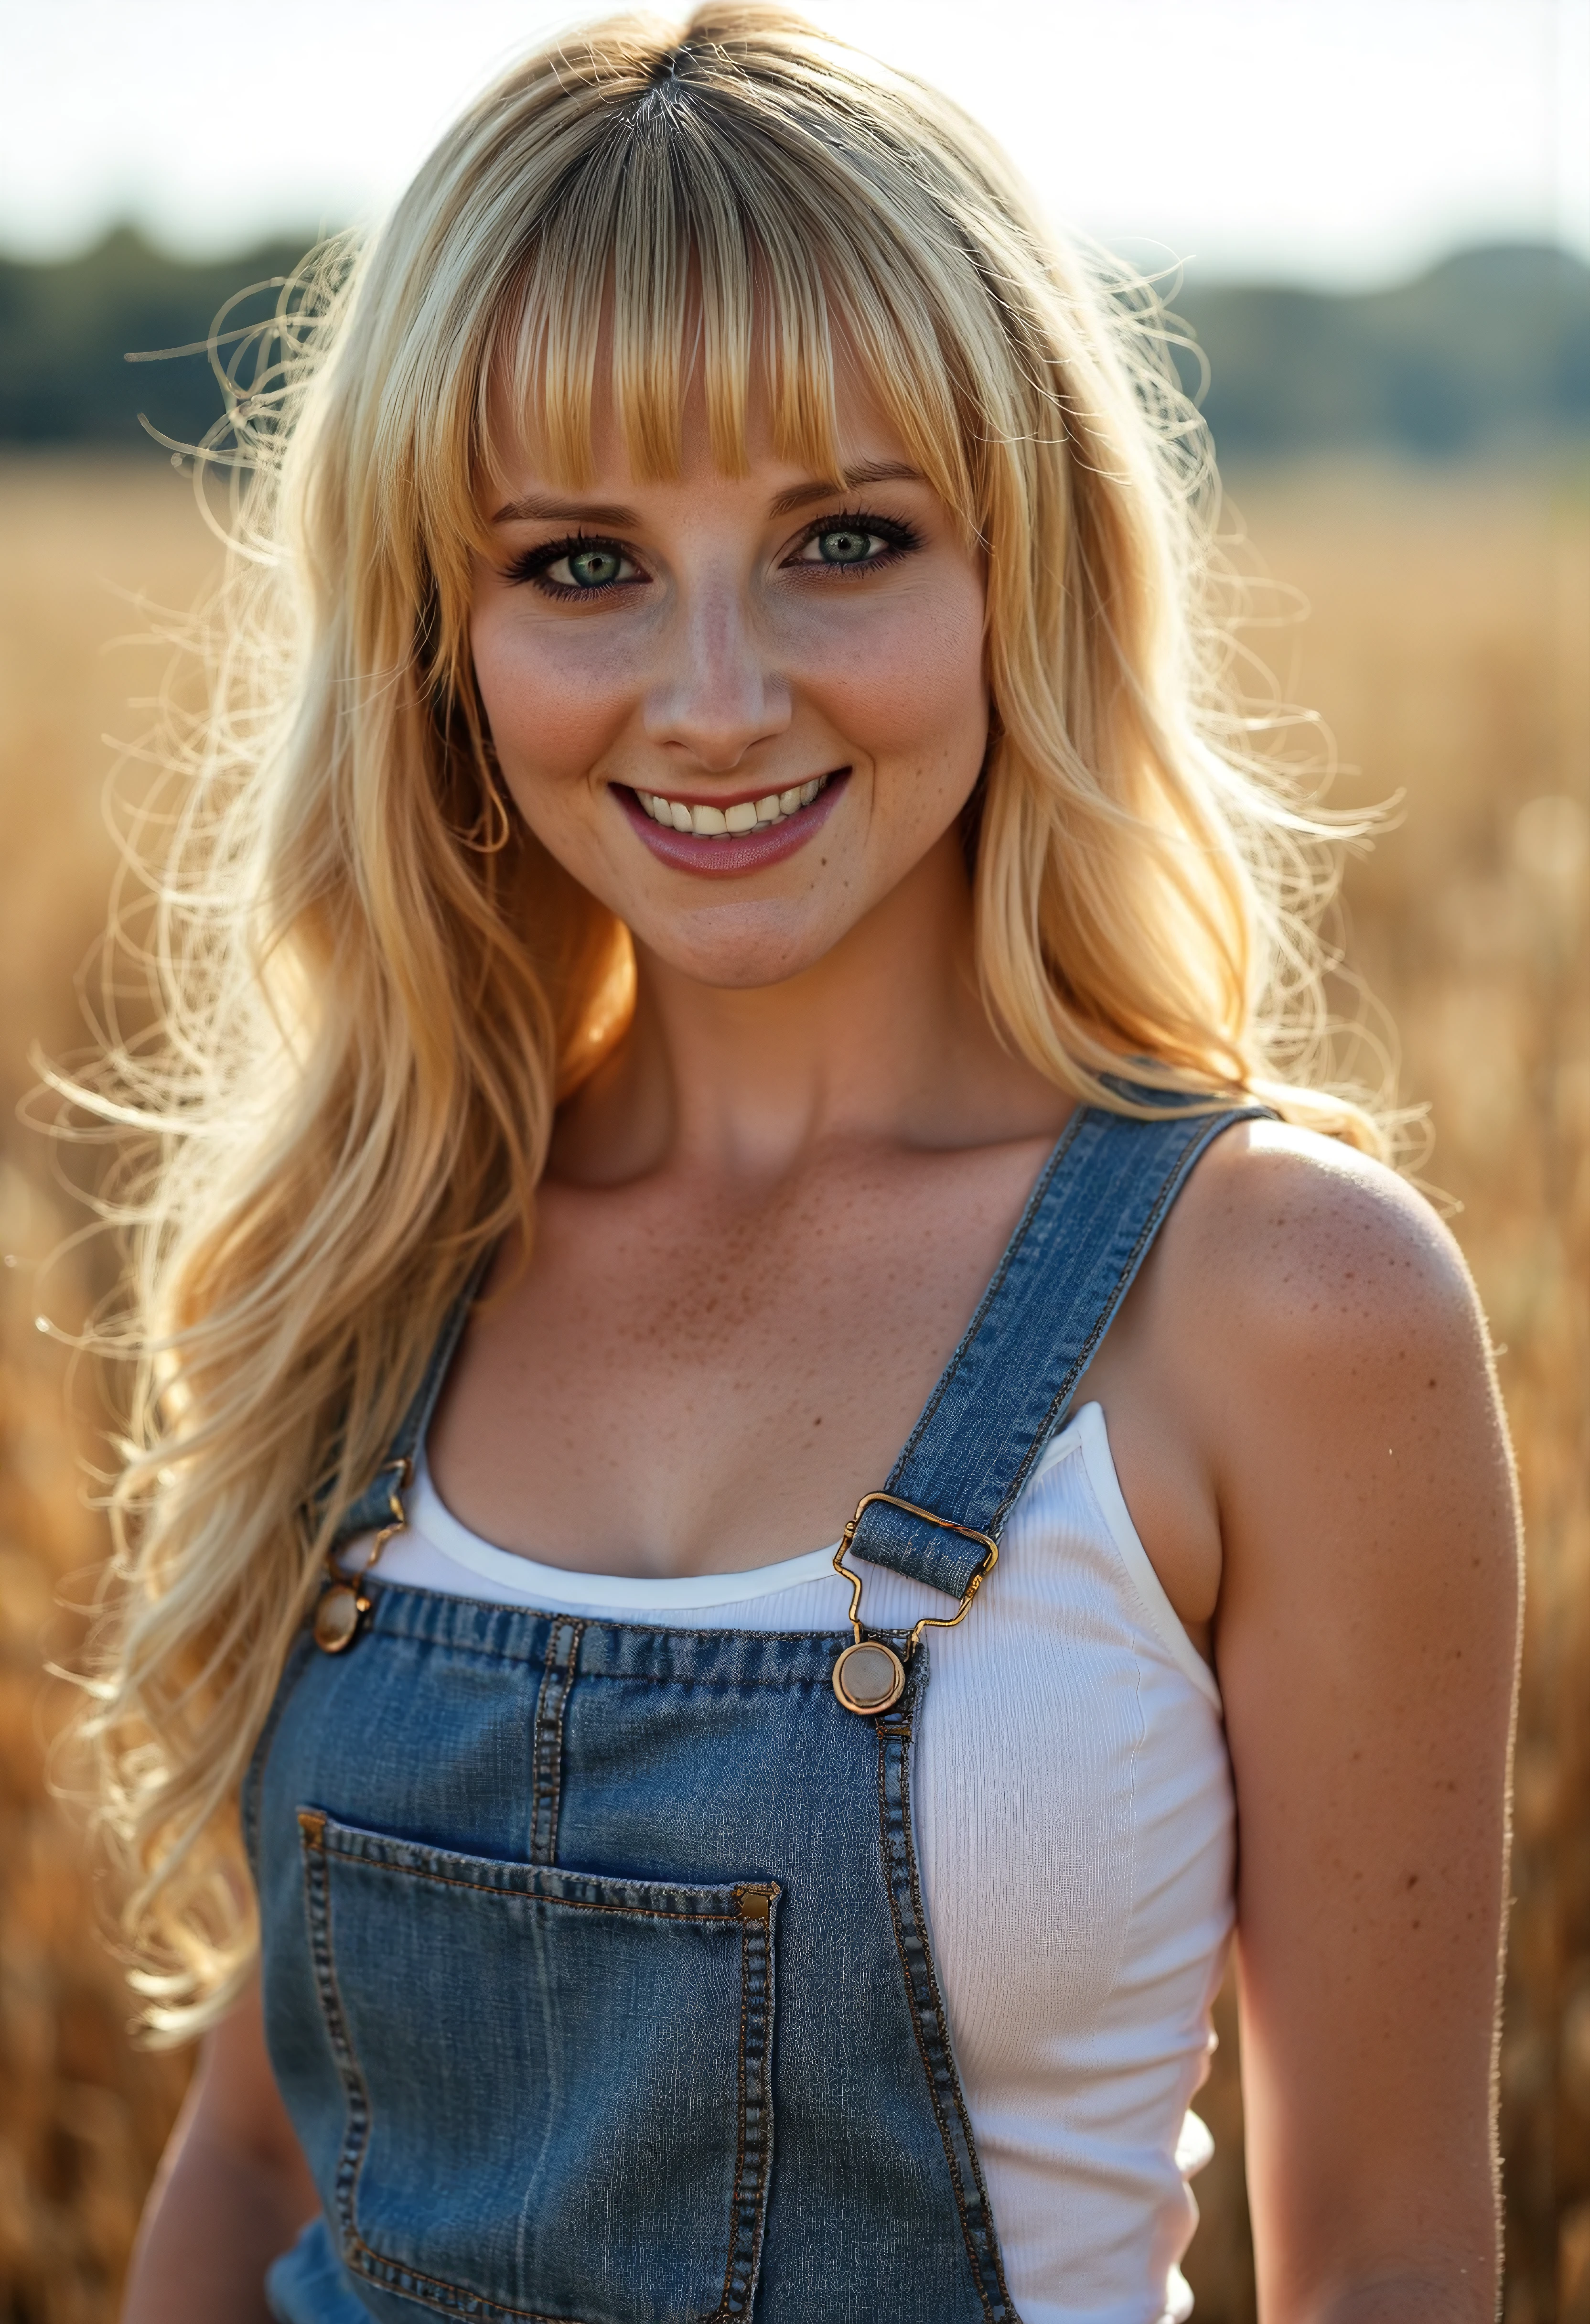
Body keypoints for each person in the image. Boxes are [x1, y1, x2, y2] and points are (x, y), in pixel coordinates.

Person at [105, 9, 1518, 2320]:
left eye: (842, 538)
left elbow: (1378, 2260)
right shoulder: (371, 1257)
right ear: (436, 636)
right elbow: (261, 2150)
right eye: (581, 565)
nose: (722, 694)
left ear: (1024, 568)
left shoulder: (1284, 1306)